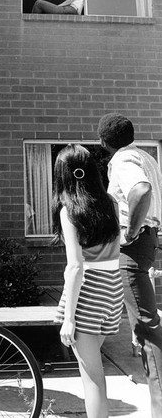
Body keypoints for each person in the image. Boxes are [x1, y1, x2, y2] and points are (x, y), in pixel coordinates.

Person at [97, 113, 162, 418]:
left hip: (134, 246)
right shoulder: (145, 156)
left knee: (146, 327)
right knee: (143, 325)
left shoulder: (122, 161)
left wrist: (131, 232)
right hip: (148, 240)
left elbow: (141, 190)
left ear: (103, 141)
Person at [53, 144, 123, 418]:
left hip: (88, 292)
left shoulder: (68, 211)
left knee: (92, 377)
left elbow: (75, 268)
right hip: (112, 288)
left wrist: (69, 317)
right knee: (94, 372)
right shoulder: (111, 204)